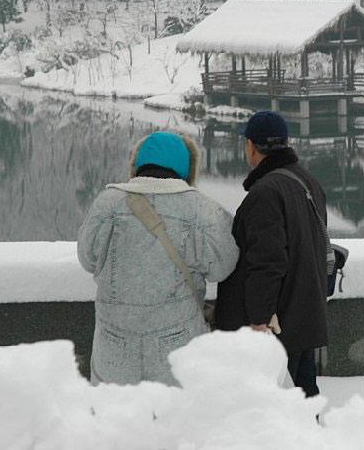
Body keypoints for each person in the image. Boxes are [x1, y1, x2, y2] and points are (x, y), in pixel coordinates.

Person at [77, 131, 239, 386]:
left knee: (114, 416)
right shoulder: (203, 209)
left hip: (114, 339)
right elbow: (222, 267)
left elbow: (88, 259)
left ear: (138, 165)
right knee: (172, 417)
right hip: (177, 340)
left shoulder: (107, 203)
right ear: (187, 169)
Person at [215, 111, 329, 397]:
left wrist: (258, 320)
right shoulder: (307, 181)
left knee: (275, 405)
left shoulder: (266, 192)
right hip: (305, 314)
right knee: (303, 396)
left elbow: (268, 262)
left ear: (251, 146)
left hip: (278, 325)